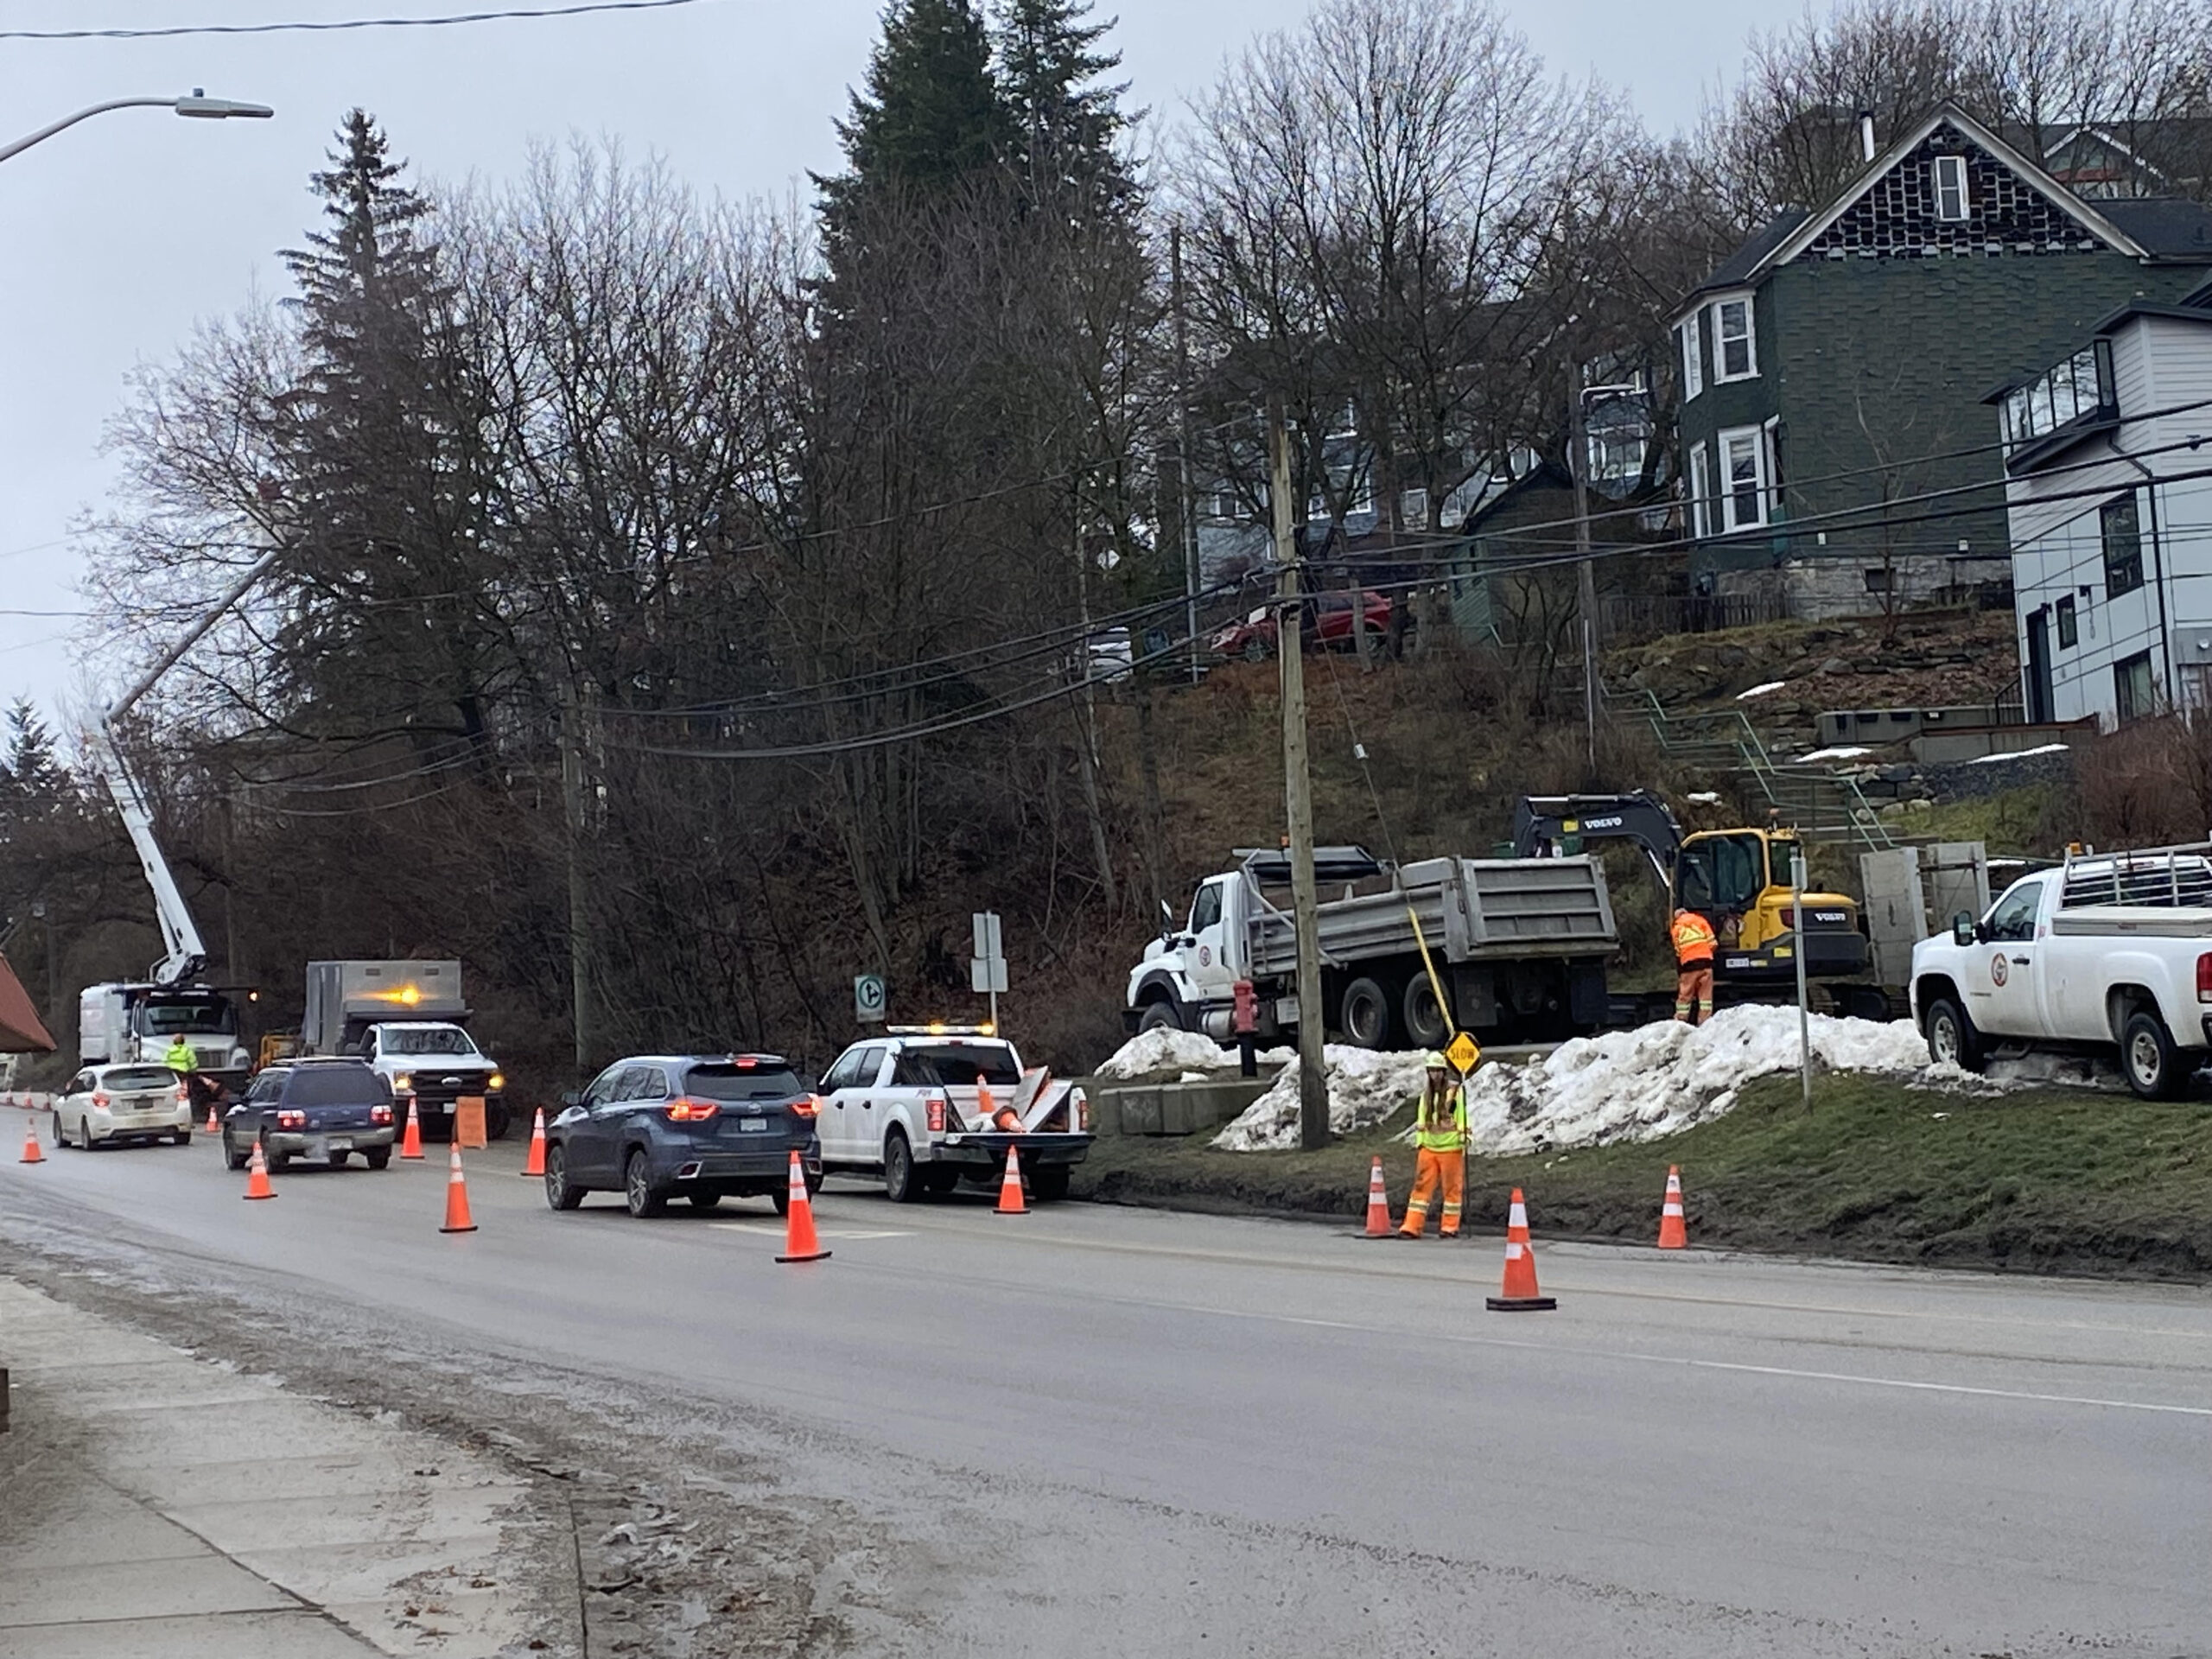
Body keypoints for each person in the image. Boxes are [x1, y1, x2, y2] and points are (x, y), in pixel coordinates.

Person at [1398, 1053, 1466, 1239]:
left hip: (1451, 1147)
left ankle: (1450, 1227)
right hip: (1428, 1148)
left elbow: (1460, 1114)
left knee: (1452, 1190)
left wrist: (1464, 1135)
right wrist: (1420, 1142)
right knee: (1421, 1188)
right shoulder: (1425, 1095)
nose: (1435, 1074)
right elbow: (1422, 1119)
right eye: (1432, 1071)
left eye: (1438, 1070)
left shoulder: (1454, 1092)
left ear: (1444, 1072)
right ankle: (1411, 1226)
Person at [1672, 907, 1718, 1026]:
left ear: (1677, 917)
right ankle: (1704, 1023)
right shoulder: (1700, 921)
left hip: (1689, 966)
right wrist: (1704, 954)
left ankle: (1680, 1022)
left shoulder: (1677, 928)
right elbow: (1713, 943)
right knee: (1706, 998)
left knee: (1685, 996)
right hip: (1706, 964)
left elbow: (1678, 951)